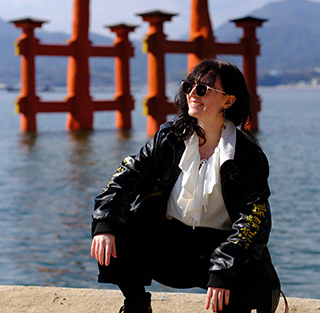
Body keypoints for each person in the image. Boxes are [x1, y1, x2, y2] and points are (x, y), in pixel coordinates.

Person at [91, 59, 281, 313]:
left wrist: (225, 270)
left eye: (203, 89)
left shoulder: (249, 156)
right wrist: (105, 225)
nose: (192, 93)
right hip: (167, 242)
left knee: (253, 274)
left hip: (219, 247)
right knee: (113, 226)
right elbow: (126, 178)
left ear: (228, 101)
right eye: (189, 86)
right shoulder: (169, 138)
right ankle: (136, 302)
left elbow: (254, 220)